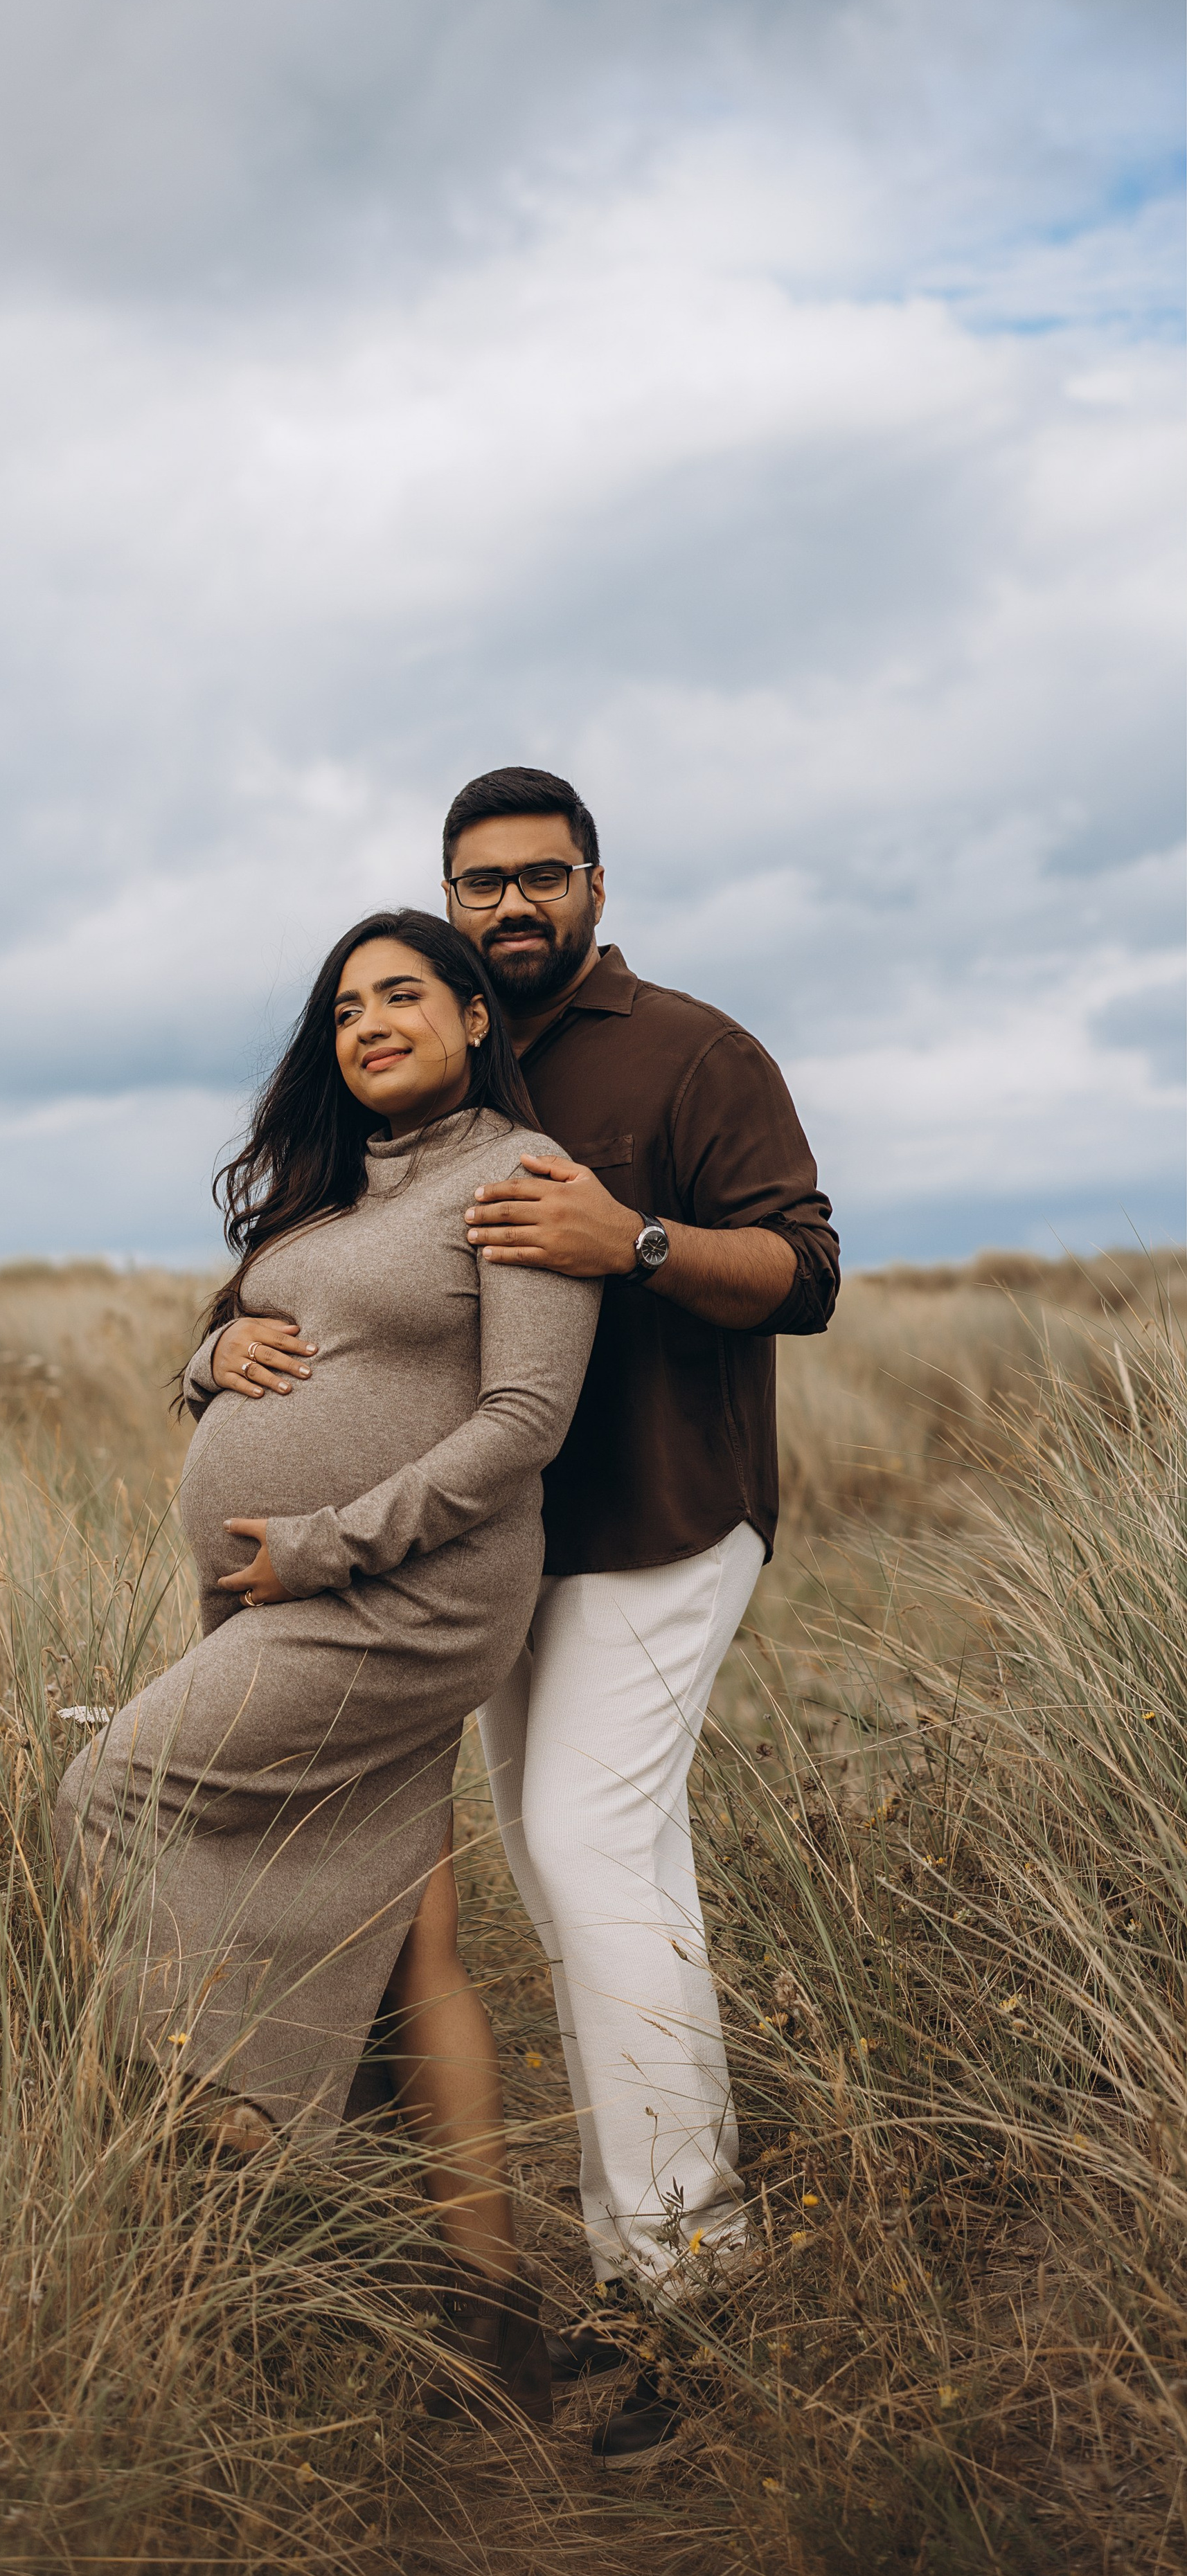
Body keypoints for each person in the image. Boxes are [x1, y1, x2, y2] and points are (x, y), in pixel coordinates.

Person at [230, 768, 839, 2463]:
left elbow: (805, 1272)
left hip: (658, 1520)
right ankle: (603, 2266)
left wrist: (628, 1237)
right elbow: (311, 1271)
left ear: (590, 882)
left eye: (537, 878)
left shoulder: (690, 1054)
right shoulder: (446, 1064)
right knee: (579, 1865)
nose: (507, 906)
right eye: (475, 883)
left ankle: (683, 2296)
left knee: (584, 1852)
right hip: (489, 1563)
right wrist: (216, 1357)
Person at [56, 908, 600, 2424]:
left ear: (474, 1018)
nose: (369, 1023)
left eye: (403, 995)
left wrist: (322, 1547)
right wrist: (206, 1360)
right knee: (411, 1947)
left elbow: (518, 1427)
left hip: (398, 1603)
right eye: (346, 1006)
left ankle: (241, 2141)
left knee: (109, 1793)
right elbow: (254, 1343)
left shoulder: (517, 1179)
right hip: (281, 1599)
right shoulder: (328, 1199)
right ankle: (489, 2328)